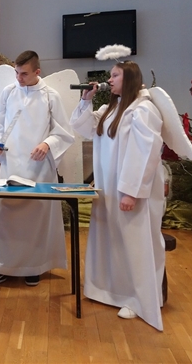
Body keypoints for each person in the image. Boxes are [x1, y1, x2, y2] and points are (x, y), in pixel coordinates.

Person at [69, 60, 165, 331]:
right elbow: (83, 128)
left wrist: (131, 192)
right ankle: (107, 289)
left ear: (130, 78)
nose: (109, 80)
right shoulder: (111, 109)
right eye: (110, 76)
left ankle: (137, 298)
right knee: (111, 239)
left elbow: (144, 154)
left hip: (129, 189)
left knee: (133, 242)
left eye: (115, 75)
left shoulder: (143, 110)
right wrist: (86, 100)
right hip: (108, 188)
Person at [0, 51, 75, 290]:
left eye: (23, 74)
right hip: (11, 165)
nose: (18, 78)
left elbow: (64, 132)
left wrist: (48, 144)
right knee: (3, 217)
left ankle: (34, 267)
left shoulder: (50, 96)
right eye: (16, 72)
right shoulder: (9, 92)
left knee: (36, 220)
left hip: (38, 167)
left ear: (37, 72)